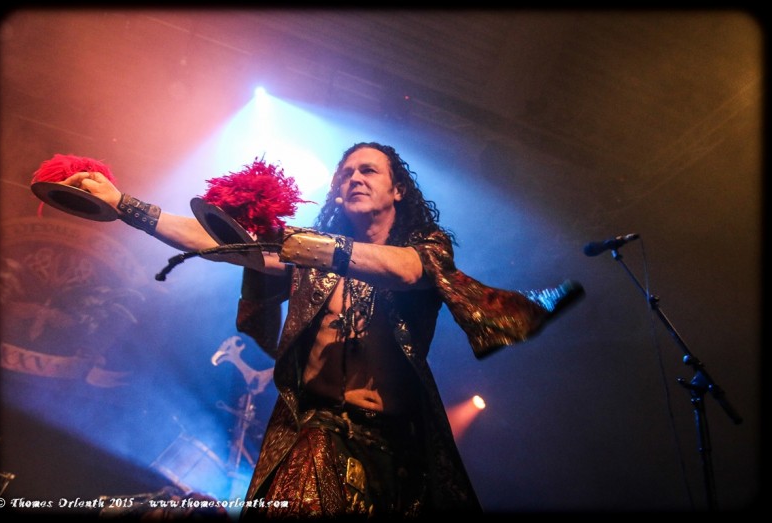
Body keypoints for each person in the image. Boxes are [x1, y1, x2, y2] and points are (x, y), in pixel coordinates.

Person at [57, 142, 583, 518]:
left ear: (398, 189)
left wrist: (295, 245)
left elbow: (404, 271)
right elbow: (217, 243)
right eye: (345, 173)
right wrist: (125, 205)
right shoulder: (307, 256)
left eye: (368, 170)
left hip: (398, 451)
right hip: (315, 433)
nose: (353, 178)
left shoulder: (425, 247)